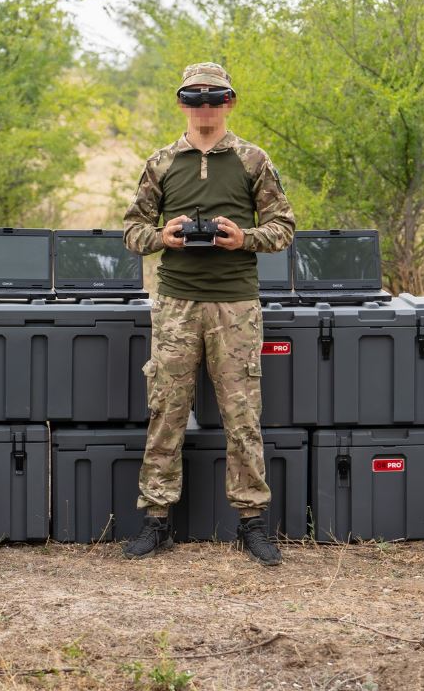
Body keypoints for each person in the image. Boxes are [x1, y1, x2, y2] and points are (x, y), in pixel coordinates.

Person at [122, 62, 295, 566]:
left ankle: (252, 522)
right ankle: (156, 519)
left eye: (214, 98)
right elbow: (132, 229)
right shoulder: (160, 163)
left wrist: (244, 239)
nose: (204, 107)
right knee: (166, 411)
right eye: (194, 98)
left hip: (236, 304)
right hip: (176, 303)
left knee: (243, 417)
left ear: (229, 102)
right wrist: (163, 237)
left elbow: (284, 226)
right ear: (181, 103)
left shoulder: (252, 160)